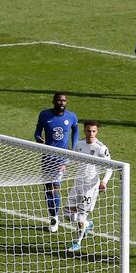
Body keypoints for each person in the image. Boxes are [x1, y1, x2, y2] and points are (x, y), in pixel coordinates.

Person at [35, 92, 79, 233]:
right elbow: (37, 132)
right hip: (47, 157)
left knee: (55, 188)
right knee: (48, 189)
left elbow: (75, 130)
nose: (62, 103)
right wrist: (39, 139)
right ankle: (53, 216)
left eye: (64, 101)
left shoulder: (71, 117)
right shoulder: (44, 115)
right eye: (59, 100)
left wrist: (74, 148)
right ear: (54, 101)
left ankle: (55, 218)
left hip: (62, 159)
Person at [66, 120, 112, 252]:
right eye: (88, 131)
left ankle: (77, 243)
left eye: (93, 131)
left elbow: (110, 167)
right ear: (84, 130)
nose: (91, 133)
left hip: (91, 187)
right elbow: (72, 158)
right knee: (68, 214)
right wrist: (64, 165)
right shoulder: (79, 144)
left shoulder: (101, 148)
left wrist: (104, 181)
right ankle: (88, 224)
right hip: (77, 183)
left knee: (80, 217)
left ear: (97, 132)